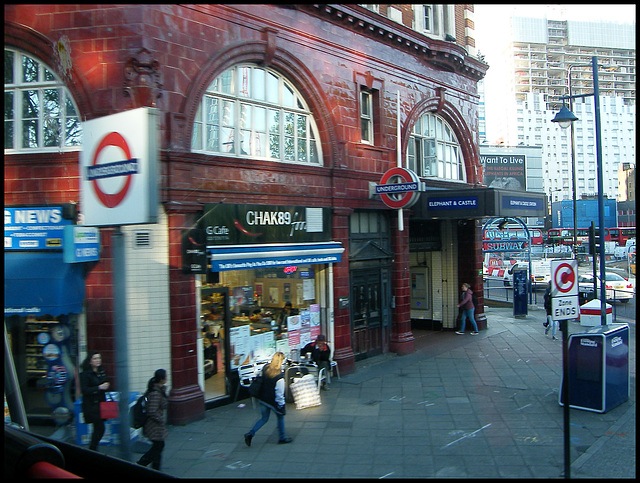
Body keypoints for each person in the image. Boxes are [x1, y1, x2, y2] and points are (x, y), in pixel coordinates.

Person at [244, 352, 292, 446]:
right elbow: (279, 394)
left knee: (264, 418)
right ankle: (282, 437)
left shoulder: (266, 367)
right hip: (272, 401)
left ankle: (250, 433)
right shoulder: (279, 377)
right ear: (281, 361)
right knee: (280, 417)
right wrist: (281, 406)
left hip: (263, 398)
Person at [137, 369, 169, 471]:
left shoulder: (158, 390)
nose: (167, 378)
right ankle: (141, 464)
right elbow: (152, 411)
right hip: (154, 426)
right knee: (158, 446)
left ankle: (155, 468)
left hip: (155, 425)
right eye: (165, 376)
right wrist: (161, 420)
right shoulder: (155, 393)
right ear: (161, 379)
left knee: (158, 446)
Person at [80, 351, 109, 451]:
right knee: (100, 428)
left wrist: (105, 386)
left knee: (98, 428)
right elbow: (85, 390)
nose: (98, 360)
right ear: (90, 361)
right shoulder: (85, 374)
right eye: (95, 358)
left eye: (99, 358)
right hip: (92, 405)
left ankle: (93, 448)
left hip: (101, 404)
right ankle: (92, 448)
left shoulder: (101, 371)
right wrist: (99, 387)